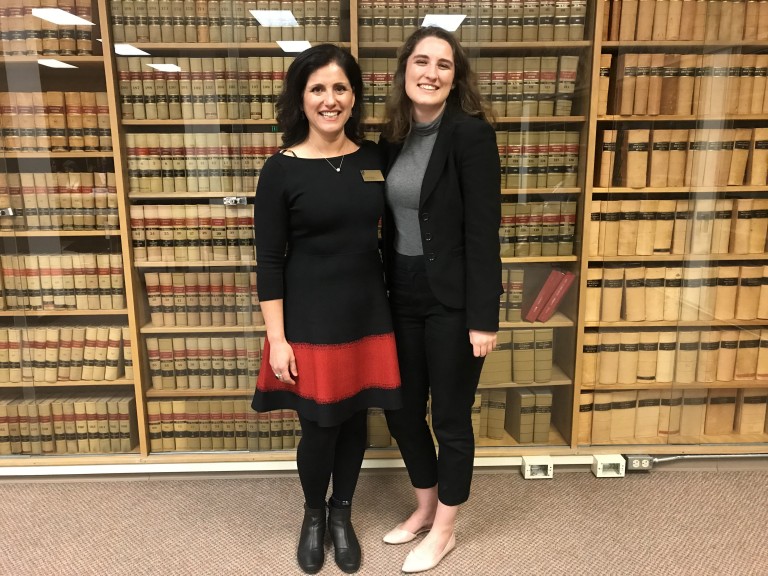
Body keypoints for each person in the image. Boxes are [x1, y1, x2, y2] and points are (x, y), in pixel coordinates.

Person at [252, 44, 401, 575]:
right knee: (318, 424)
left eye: (340, 88)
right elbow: (269, 261)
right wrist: (278, 339)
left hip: (367, 314)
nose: (329, 99)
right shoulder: (279, 169)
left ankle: (343, 514)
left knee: (356, 418)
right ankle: (314, 515)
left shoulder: (375, 159)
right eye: (318, 88)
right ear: (301, 97)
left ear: (354, 96)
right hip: (308, 320)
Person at [378, 27, 502, 573]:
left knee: (449, 417)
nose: (431, 73)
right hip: (397, 291)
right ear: (405, 70)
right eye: (421, 61)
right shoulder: (390, 135)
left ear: (456, 77)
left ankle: (446, 529)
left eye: (443, 65)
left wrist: (483, 318)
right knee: (403, 410)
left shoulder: (471, 136)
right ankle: (425, 507)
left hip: (450, 299)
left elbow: (484, 231)